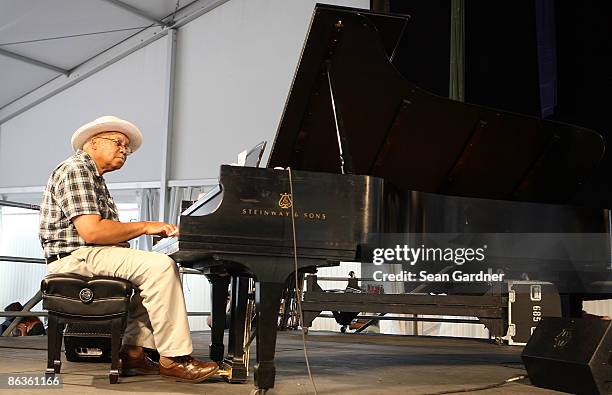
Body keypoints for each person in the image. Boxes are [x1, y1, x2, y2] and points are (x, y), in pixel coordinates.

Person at [39, 115, 219, 383]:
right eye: (119, 143)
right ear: (94, 143)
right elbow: (93, 231)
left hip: (88, 254)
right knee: (159, 267)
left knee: (155, 268)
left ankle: (134, 353)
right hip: (72, 258)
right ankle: (175, 358)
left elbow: (101, 232)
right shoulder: (76, 169)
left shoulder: (95, 177)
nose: (124, 150)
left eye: (127, 148)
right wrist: (146, 226)